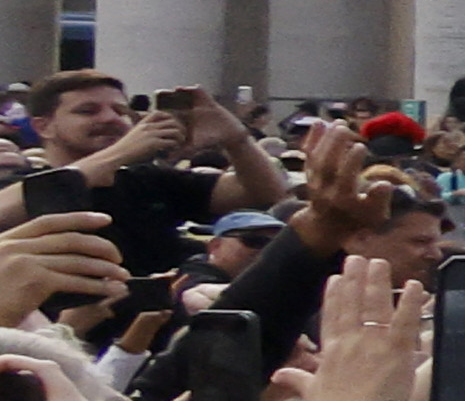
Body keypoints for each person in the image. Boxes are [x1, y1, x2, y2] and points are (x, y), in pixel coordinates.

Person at [0, 73, 289, 279]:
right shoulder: (20, 182)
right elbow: (15, 204)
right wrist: (123, 151)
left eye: (119, 110)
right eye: (88, 111)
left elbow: (265, 194)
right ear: (43, 127)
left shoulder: (151, 181)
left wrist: (237, 139)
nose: (110, 118)